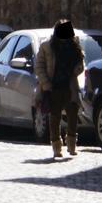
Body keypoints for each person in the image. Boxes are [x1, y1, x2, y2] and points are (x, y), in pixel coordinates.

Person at [36, 19, 86, 159]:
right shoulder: (47, 47)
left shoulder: (74, 46)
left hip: (70, 86)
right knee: (54, 117)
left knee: (73, 115)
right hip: (53, 87)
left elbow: (81, 65)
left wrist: (76, 69)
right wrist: (46, 84)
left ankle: (71, 145)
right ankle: (56, 146)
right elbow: (39, 67)